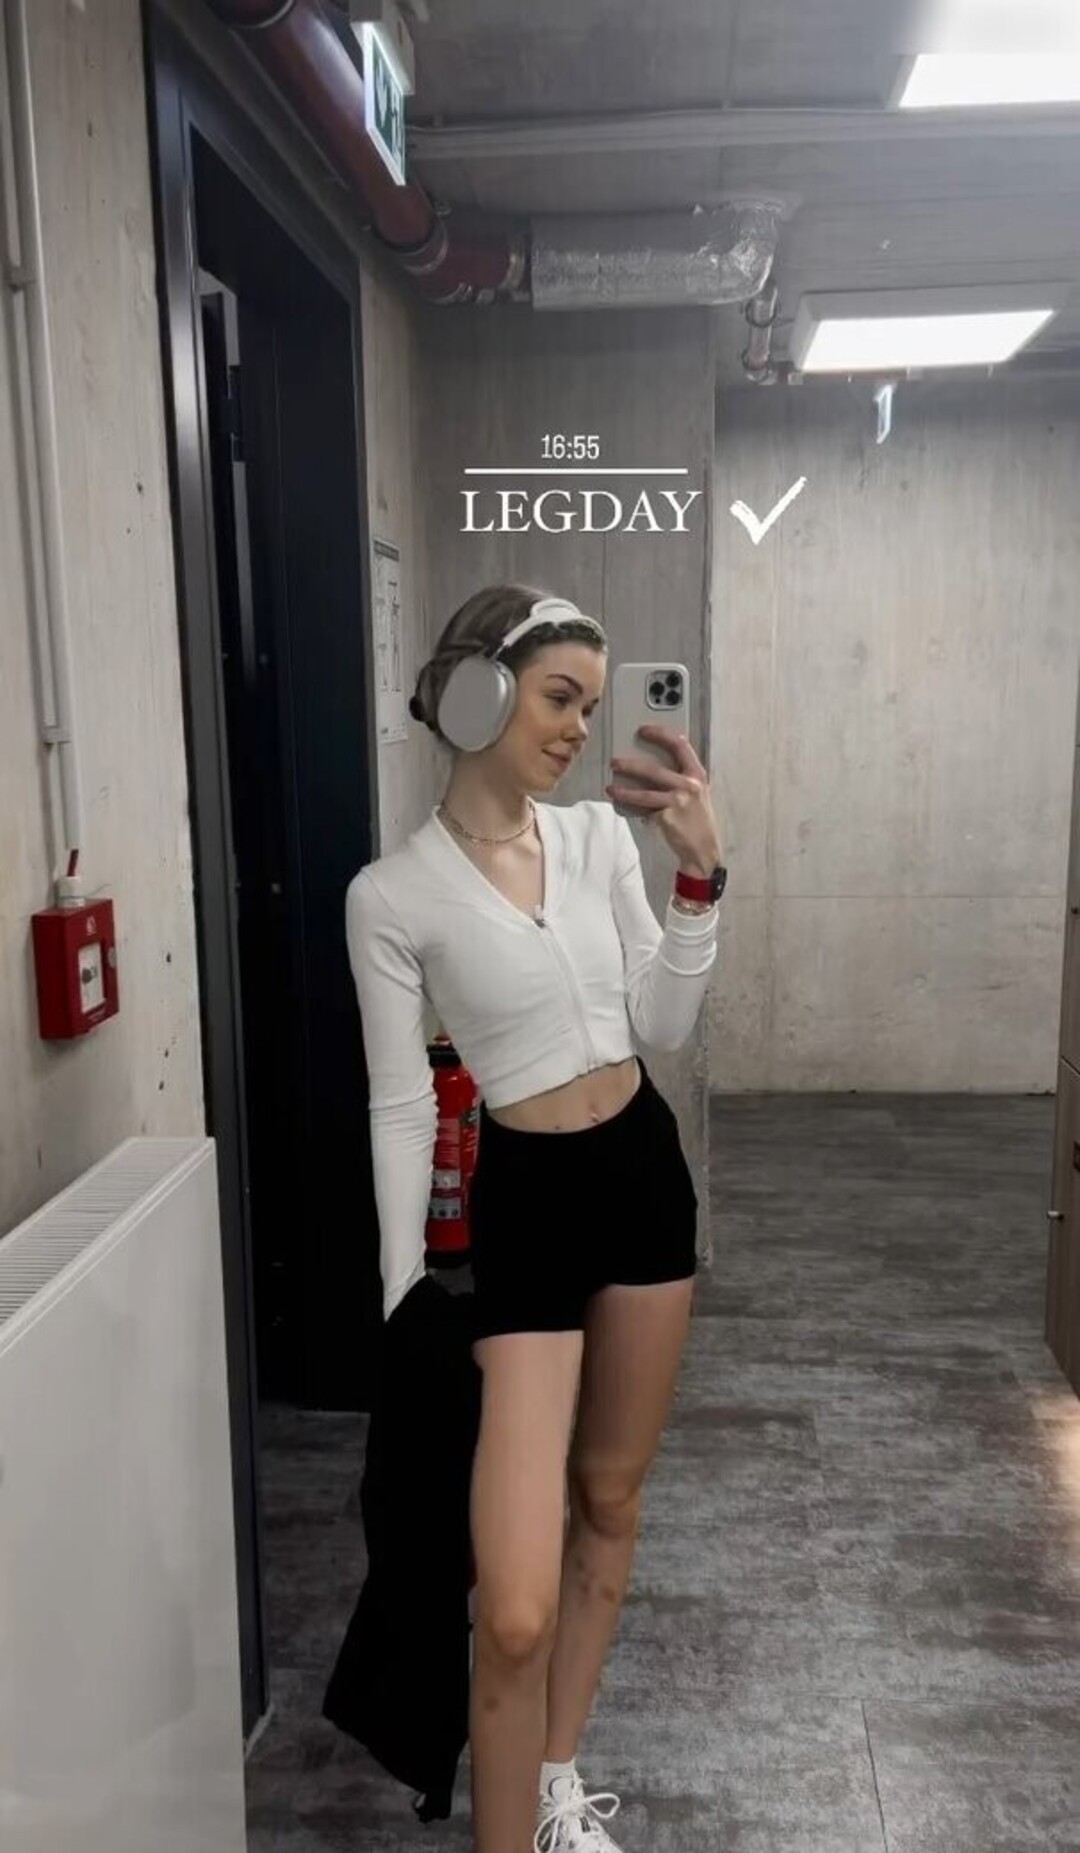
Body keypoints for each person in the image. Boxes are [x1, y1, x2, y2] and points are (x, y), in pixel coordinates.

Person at [344, 584, 726, 1853]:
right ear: (478, 691)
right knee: (509, 1606)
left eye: (589, 705)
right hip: (528, 1208)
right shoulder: (392, 895)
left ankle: (555, 1779)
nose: (577, 728)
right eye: (559, 697)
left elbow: (662, 1024)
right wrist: (401, 1292)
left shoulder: (599, 840)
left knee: (608, 1499)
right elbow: (402, 1102)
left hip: (640, 1175)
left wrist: (699, 880)